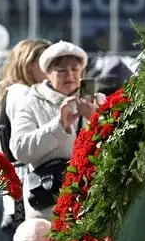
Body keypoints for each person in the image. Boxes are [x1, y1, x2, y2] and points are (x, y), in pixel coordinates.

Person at [10, 40, 95, 220]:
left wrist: (94, 117)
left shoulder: (96, 101)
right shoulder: (31, 103)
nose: (69, 75)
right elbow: (19, 149)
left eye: (75, 69)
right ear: (47, 73)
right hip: (49, 204)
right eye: (62, 70)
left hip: (90, 202)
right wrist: (58, 127)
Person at [0, 39, 50, 241]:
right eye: (43, 62)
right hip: (23, 180)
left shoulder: (12, 91)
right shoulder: (24, 93)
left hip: (11, 179)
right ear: (27, 64)